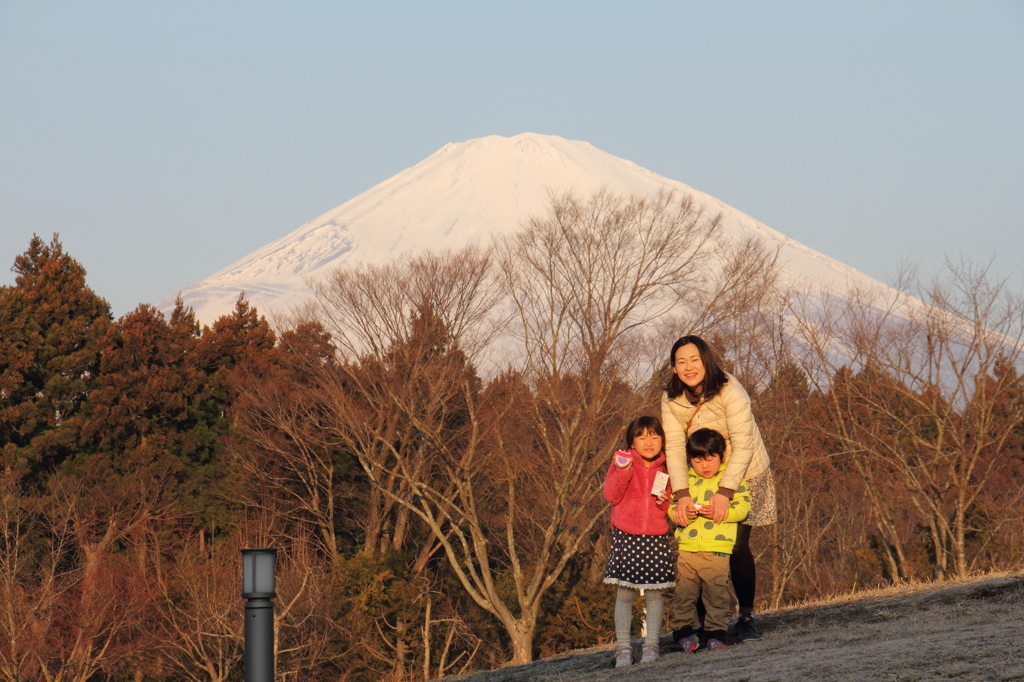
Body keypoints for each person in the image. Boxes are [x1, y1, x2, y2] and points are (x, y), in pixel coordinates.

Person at [661, 334, 776, 642]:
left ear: (706, 360)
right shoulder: (670, 398)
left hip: (744, 471)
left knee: (735, 545)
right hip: (699, 474)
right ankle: (704, 623)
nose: (688, 367)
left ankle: (746, 617)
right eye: (681, 362)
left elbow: (743, 445)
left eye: (694, 359)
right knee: (697, 547)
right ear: (673, 368)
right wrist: (682, 494)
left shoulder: (730, 389)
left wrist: (725, 493)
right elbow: (673, 447)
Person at [603, 415, 675, 668]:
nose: (649, 441)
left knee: (655, 595)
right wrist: (623, 471)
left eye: (655, 436)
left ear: (663, 440)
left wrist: (663, 502)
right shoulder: (622, 462)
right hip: (626, 534)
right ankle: (623, 649)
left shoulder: (668, 466)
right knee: (625, 593)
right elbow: (611, 496)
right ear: (632, 440)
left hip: (656, 535)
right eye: (642, 436)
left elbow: (669, 502)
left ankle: (651, 646)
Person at [669, 428, 750, 652]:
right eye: (698, 459)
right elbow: (672, 507)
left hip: (718, 550)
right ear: (690, 459)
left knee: (716, 596)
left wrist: (723, 513)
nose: (704, 465)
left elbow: (744, 507)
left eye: (710, 458)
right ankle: (683, 634)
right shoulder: (684, 480)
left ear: (722, 456)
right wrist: (681, 513)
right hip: (687, 549)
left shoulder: (731, 480)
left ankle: (716, 635)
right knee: (685, 595)